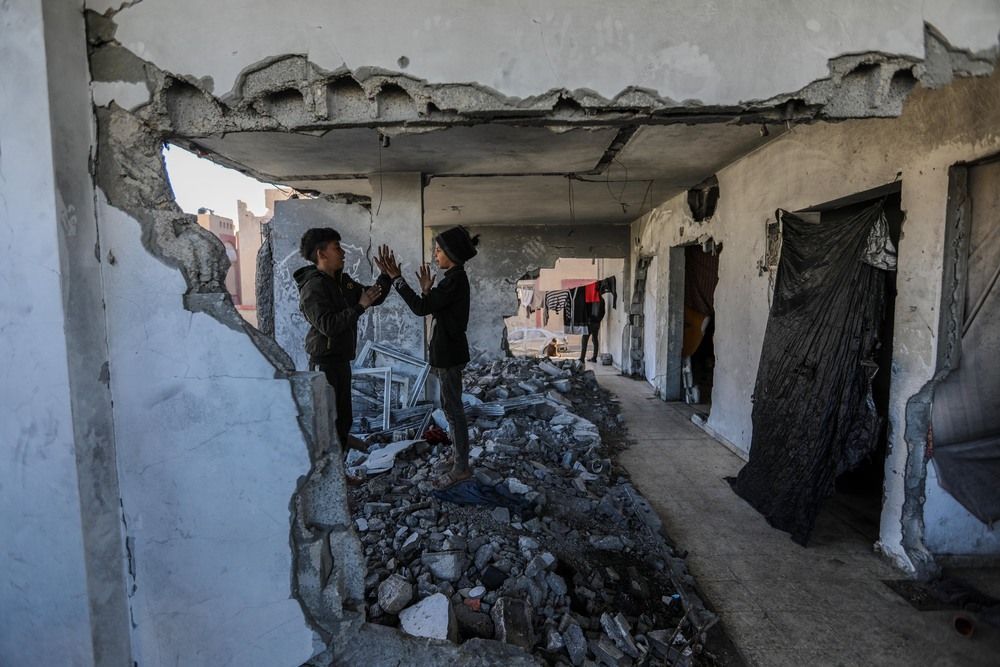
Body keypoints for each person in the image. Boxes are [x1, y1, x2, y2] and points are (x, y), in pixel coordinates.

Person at [374, 226, 478, 489]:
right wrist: (427, 292)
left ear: (451, 254)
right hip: (448, 353)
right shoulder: (452, 280)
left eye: (439, 250)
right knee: (450, 408)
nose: (435, 254)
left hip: (450, 354)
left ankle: (461, 467)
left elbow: (421, 309)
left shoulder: (454, 281)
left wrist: (397, 279)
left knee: (454, 410)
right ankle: (458, 459)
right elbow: (436, 307)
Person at [294, 227, 391, 449]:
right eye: (337, 248)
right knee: (328, 423)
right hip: (324, 364)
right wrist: (359, 307)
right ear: (322, 254)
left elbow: (372, 296)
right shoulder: (313, 287)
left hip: (341, 361)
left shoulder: (342, 282)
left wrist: (386, 276)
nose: (343, 252)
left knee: (343, 420)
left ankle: (342, 464)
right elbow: (328, 326)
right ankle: (333, 468)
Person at [580, 295, 606, 362]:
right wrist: (598, 320)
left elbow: (586, 310)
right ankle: (594, 357)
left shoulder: (590, 298)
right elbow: (603, 312)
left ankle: (582, 358)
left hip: (590, 322)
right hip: (595, 323)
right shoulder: (602, 299)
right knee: (594, 339)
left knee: (585, 339)